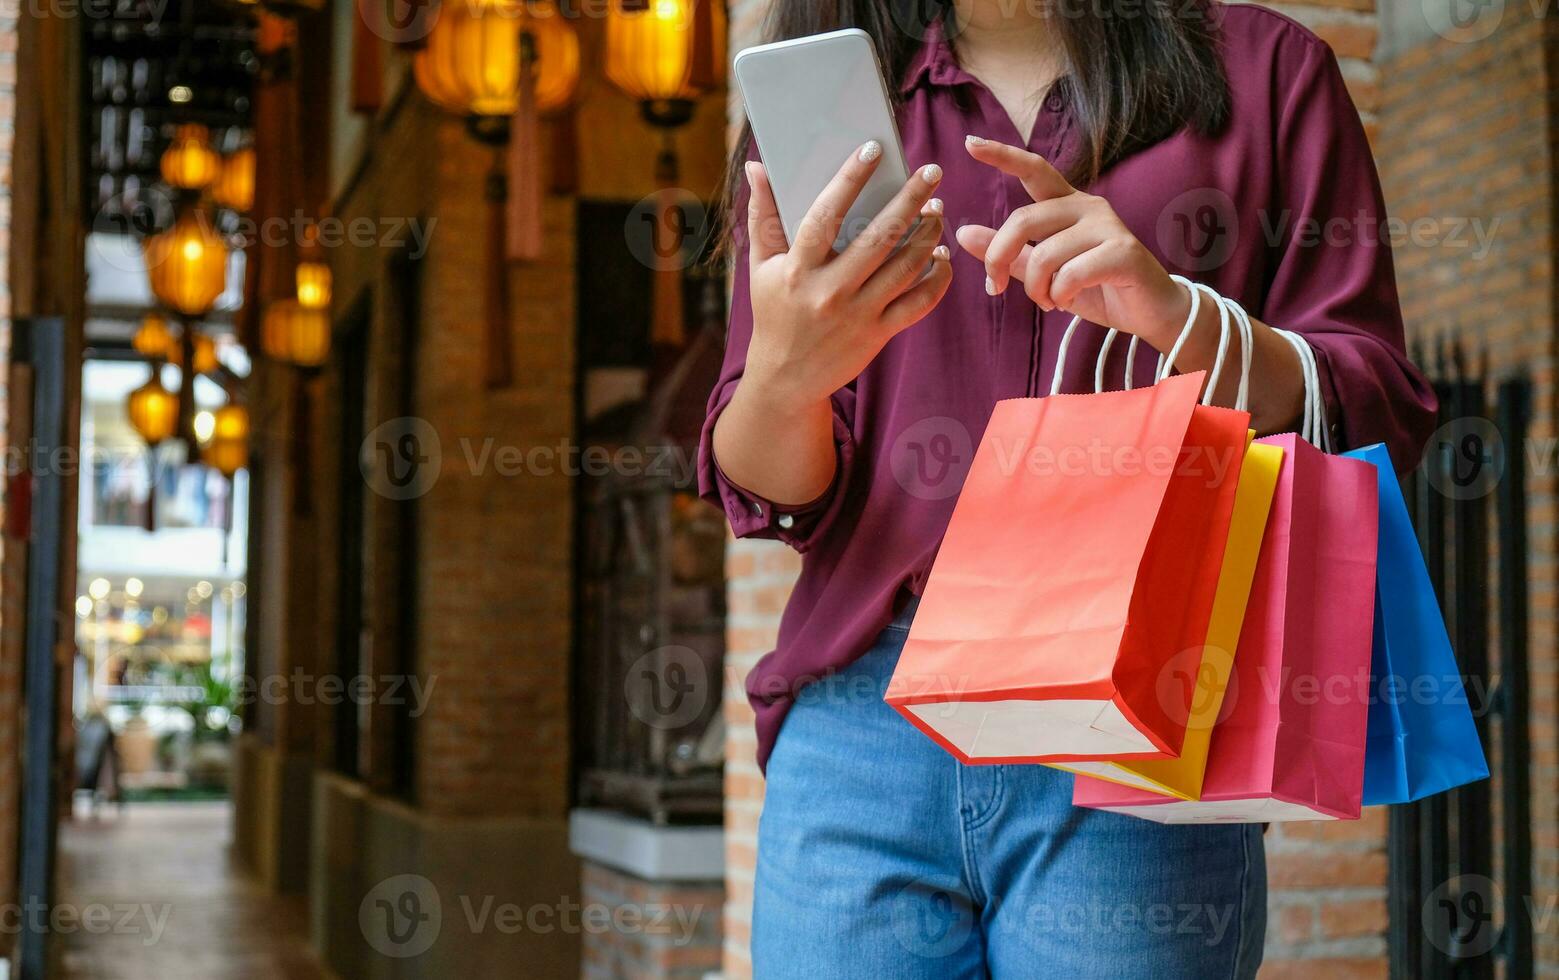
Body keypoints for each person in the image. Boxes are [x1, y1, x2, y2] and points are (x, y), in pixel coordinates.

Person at [698, 0, 1436, 975]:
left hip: (1137, 708)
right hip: (860, 725)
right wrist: (786, 376)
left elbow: (1376, 402)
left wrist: (1179, 315)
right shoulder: (817, 104)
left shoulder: (1264, 70)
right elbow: (769, 493)